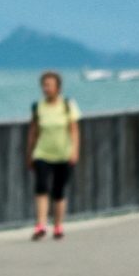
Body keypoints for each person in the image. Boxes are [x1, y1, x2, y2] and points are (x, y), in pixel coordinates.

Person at [26, 70, 80, 240]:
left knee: (58, 190)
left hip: (63, 154)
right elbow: (34, 131)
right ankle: (41, 224)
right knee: (41, 186)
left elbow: (74, 130)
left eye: (49, 85)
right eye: (44, 85)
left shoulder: (67, 105)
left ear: (58, 87)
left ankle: (58, 225)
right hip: (42, 153)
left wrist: (74, 151)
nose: (46, 88)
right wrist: (30, 153)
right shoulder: (38, 107)